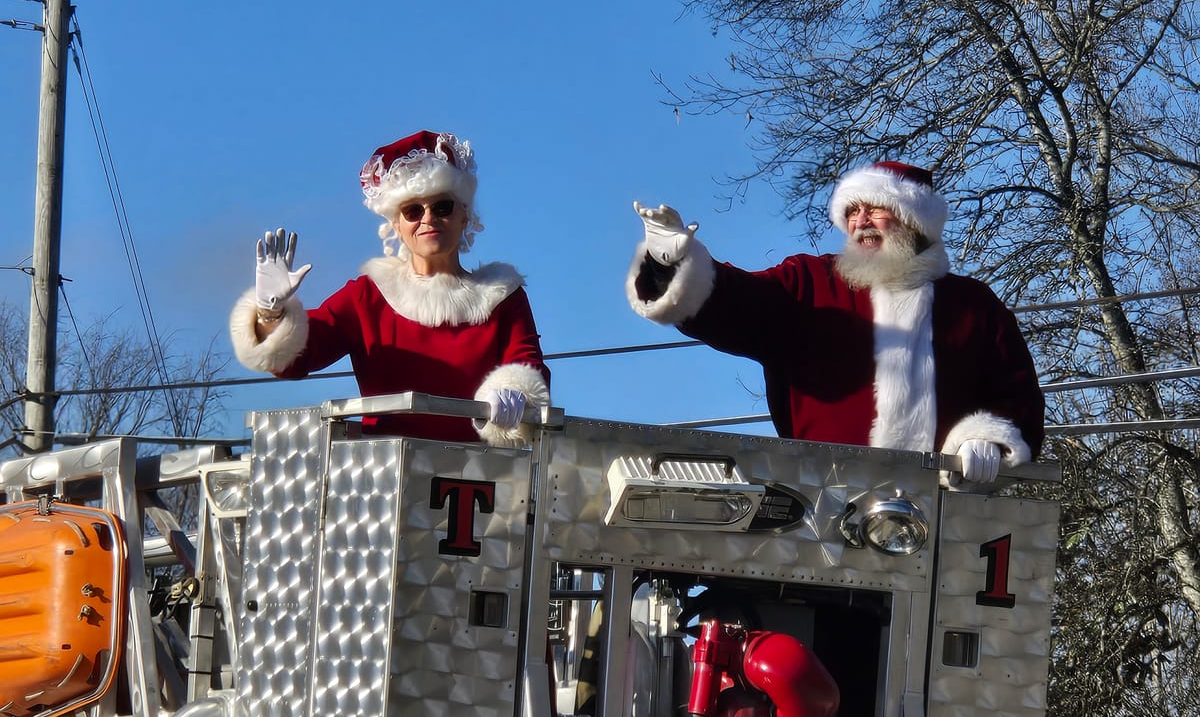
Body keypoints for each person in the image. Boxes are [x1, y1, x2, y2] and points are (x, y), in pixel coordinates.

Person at [626, 161, 1044, 485]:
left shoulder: (973, 305)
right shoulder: (809, 284)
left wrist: (987, 437)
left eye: (877, 209)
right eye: (853, 211)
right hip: (821, 511)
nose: (860, 220)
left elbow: (1016, 391)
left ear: (916, 220)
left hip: (946, 519)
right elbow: (736, 302)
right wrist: (672, 264)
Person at [230, 129, 550, 447]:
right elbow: (298, 357)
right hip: (386, 478)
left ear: (465, 215)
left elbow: (528, 368)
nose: (428, 219)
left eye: (442, 207)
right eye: (413, 210)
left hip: (480, 479)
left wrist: (515, 393)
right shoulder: (368, 298)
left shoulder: (503, 297)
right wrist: (270, 312)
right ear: (395, 223)